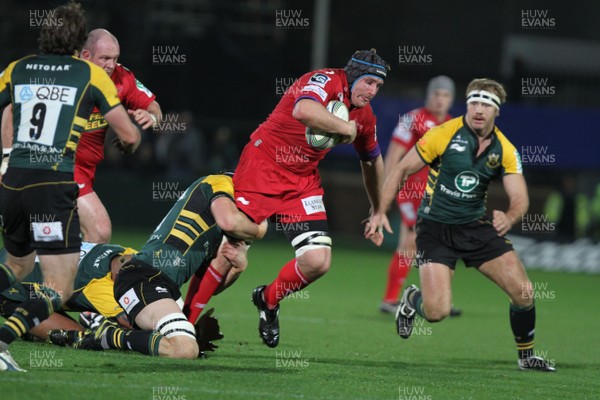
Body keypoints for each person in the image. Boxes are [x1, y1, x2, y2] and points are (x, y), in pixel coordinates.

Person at [367, 78, 555, 371]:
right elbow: (402, 168)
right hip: (435, 228)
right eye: (474, 103)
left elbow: (520, 197)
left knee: (524, 293)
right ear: (467, 104)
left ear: (497, 111)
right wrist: (379, 211)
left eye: (486, 105)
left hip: (475, 228)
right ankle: (410, 299)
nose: (479, 110)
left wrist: (510, 215)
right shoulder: (442, 134)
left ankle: (526, 355)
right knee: (437, 312)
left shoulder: (505, 149)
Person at [0, 2, 141, 372]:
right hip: (52, 186)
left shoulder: (18, 69)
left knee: (16, 264)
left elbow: (7, 111)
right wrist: (130, 141)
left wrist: (4, 155)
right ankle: (2, 341)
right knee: (57, 288)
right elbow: (128, 134)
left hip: (11, 181)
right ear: (79, 43)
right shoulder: (87, 75)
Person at [233, 49, 391, 348]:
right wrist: (345, 127)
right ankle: (186, 322)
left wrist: (379, 208)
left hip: (301, 182)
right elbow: (303, 111)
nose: (372, 91)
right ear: (354, 76)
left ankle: (267, 300)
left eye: (378, 86)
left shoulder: (365, 116)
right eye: (368, 82)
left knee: (317, 261)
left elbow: (373, 161)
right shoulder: (326, 79)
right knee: (230, 255)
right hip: (263, 166)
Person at [53, 173, 267, 359]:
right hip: (145, 276)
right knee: (184, 348)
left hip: (161, 284)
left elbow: (208, 283)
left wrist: (238, 268)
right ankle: (108, 333)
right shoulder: (220, 184)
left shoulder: (218, 221)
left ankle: (106, 333)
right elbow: (230, 222)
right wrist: (260, 231)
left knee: (183, 344)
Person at [1, 29, 161, 243]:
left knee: (41, 244)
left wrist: (152, 116)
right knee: (99, 230)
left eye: (115, 58)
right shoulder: (60, 73)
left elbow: (154, 107)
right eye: (105, 58)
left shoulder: (122, 77)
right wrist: (8, 156)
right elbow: (11, 107)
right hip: (59, 164)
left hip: (85, 169)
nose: (111, 65)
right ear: (85, 55)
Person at [380, 76, 460, 314]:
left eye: (445, 95)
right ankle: (391, 299)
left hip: (439, 195)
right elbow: (394, 154)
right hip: (411, 192)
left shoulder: (454, 125)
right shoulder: (412, 119)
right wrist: (386, 188)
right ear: (429, 95)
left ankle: (437, 300)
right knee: (411, 242)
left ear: (451, 99)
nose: (440, 99)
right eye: (436, 94)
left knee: (443, 245)